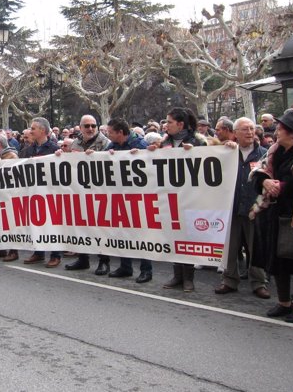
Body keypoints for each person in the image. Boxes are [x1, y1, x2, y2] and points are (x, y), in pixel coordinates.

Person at [250, 111, 293, 323]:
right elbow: (259, 173)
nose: (277, 130)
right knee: (277, 260)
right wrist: (265, 182)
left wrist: (282, 186)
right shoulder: (275, 151)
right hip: (275, 213)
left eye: (281, 128)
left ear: (292, 133)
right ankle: (284, 302)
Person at [151, 107, 207, 292]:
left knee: (188, 238)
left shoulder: (198, 141)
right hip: (169, 198)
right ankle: (177, 275)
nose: (166, 125)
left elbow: (209, 163)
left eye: (169, 122)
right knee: (173, 237)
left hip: (190, 198)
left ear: (180, 124)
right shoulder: (165, 142)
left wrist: (195, 152)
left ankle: (188, 277)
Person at [214, 117, 270, 299]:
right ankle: (229, 280)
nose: (250, 132)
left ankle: (259, 283)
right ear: (235, 133)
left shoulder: (264, 154)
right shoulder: (228, 153)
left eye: (252, 129)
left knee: (256, 248)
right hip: (232, 207)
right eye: (245, 129)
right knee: (230, 246)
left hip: (256, 209)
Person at [103, 118, 153, 283]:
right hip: (119, 195)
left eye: (110, 132)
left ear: (120, 132)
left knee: (141, 234)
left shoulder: (140, 145)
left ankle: (146, 270)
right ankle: (126, 266)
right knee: (122, 232)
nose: (108, 135)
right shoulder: (113, 146)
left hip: (139, 196)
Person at [67, 115, 111, 275]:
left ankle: (104, 261)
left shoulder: (105, 143)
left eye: (93, 125)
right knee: (81, 226)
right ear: (80, 127)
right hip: (80, 191)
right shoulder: (75, 143)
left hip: (99, 192)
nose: (90, 128)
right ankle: (83, 258)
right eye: (87, 126)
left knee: (101, 228)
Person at [21, 117, 62, 268]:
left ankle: (55, 254)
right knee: (37, 222)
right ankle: (38, 252)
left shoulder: (53, 149)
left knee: (53, 223)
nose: (30, 131)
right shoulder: (29, 150)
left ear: (42, 131)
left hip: (51, 193)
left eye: (33, 128)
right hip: (34, 193)